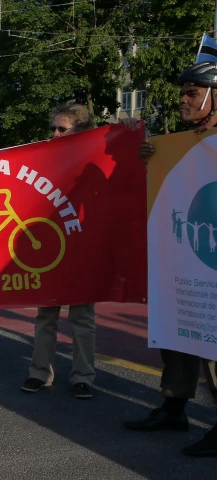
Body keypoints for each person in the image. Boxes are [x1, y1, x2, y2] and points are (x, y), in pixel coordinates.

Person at [123, 61, 217, 457]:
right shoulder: (183, 145)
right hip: (185, 257)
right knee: (178, 332)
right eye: (183, 92)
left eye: (192, 93)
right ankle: (174, 407)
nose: (183, 99)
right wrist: (154, 161)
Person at [21, 102, 98, 400]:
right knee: (46, 314)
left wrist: (130, 131)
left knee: (82, 316)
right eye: (52, 127)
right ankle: (39, 373)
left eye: (61, 128)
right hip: (50, 248)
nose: (54, 133)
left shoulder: (95, 160)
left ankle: (83, 377)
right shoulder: (44, 159)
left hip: (82, 248)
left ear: (81, 131)